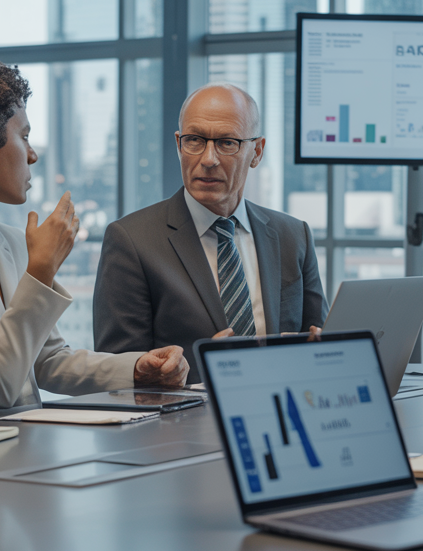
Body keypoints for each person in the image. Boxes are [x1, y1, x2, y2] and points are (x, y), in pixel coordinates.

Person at [0, 54, 188, 411]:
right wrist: (41, 270)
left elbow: (45, 360)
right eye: (24, 137)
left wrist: (137, 369)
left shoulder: (9, 241)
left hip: (22, 446)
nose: (32, 155)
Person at [93, 83, 327, 380]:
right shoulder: (131, 240)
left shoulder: (294, 235)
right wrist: (206, 368)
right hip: (182, 423)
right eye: (194, 140)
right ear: (179, 144)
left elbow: (318, 338)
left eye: (227, 143)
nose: (208, 159)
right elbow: (119, 372)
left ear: (256, 151)